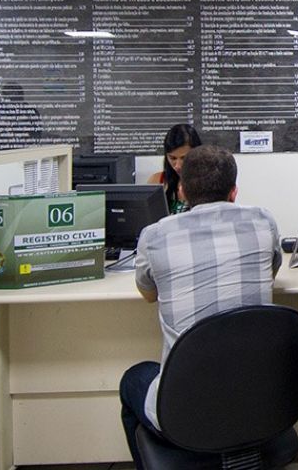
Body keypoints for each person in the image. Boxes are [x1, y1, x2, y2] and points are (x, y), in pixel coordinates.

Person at [119, 144, 282, 468]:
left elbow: (148, 294)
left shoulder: (155, 236)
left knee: (133, 380)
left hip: (186, 411)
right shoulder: (264, 222)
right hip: (259, 404)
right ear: (234, 192)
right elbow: (272, 270)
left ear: (181, 190)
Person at [147, 123, 202, 214]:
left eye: (184, 158)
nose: (178, 166)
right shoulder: (157, 181)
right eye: (173, 158)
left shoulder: (210, 182)